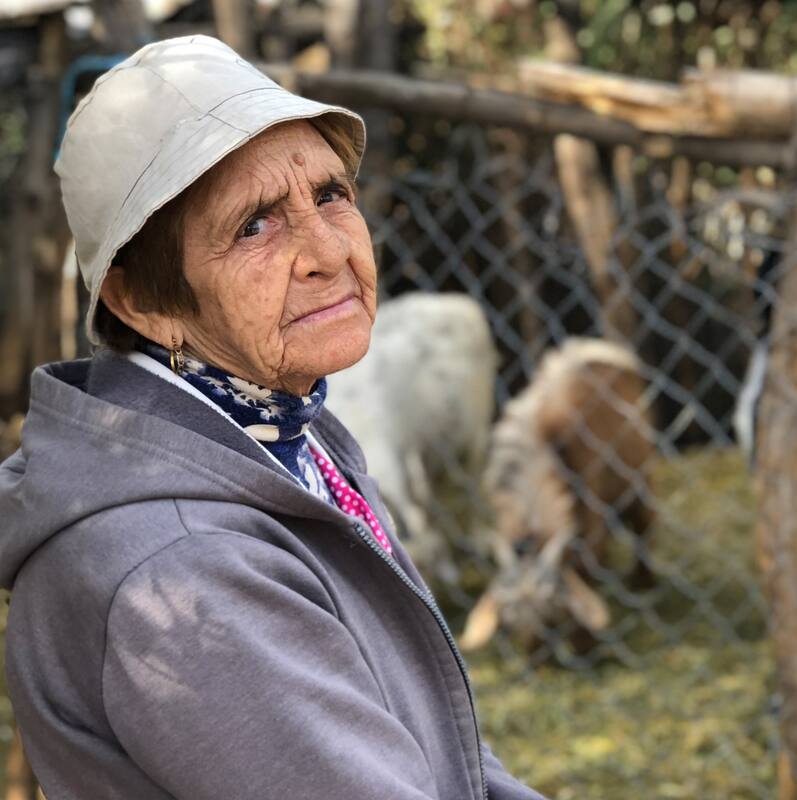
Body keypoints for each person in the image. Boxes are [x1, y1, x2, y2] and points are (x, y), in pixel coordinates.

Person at [0, 36, 545, 800]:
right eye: (254, 225)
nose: (326, 250)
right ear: (142, 302)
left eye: (330, 194)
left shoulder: (283, 433)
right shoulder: (179, 571)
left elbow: (443, 756)